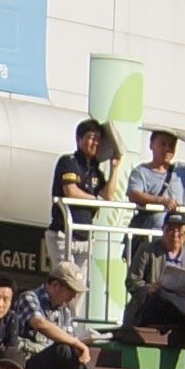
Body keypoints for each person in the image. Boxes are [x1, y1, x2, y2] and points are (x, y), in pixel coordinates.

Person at [13, 262, 104, 369]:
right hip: (27, 366)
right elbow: (39, 323)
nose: (74, 297)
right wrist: (75, 342)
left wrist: (80, 343)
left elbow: (70, 344)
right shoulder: (29, 298)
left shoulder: (65, 312)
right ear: (55, 285)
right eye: (71, 291)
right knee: (62, 348)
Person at [123, 212, 185, 359]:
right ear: (163, 230)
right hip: (152, 307)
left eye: (179, 231)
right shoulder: (147, 250)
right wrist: (149, 288)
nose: (175, 235)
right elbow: (132, 281)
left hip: (179, 308)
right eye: (170, 230)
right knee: (162, 295)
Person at [48, 118, 116, 278]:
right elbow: (70, 190)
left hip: (84, 237)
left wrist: (115, 169)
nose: (95, 143)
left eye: (98, 139)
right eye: (91, 137)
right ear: (79, 139)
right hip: (63, 234)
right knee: (66, 280)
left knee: (78, 287)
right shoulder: (68, 161)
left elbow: (108, 195)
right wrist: (94, 200)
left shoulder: (94, 170)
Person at [125, 130, 185, 230]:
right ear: (151, 145)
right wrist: (161, 201)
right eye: (162, 144)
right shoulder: (140, 171)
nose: (167, 149)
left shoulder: (180, 170)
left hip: (175, 235)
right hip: (150, 235)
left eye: (171, 145)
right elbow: (133, 194)